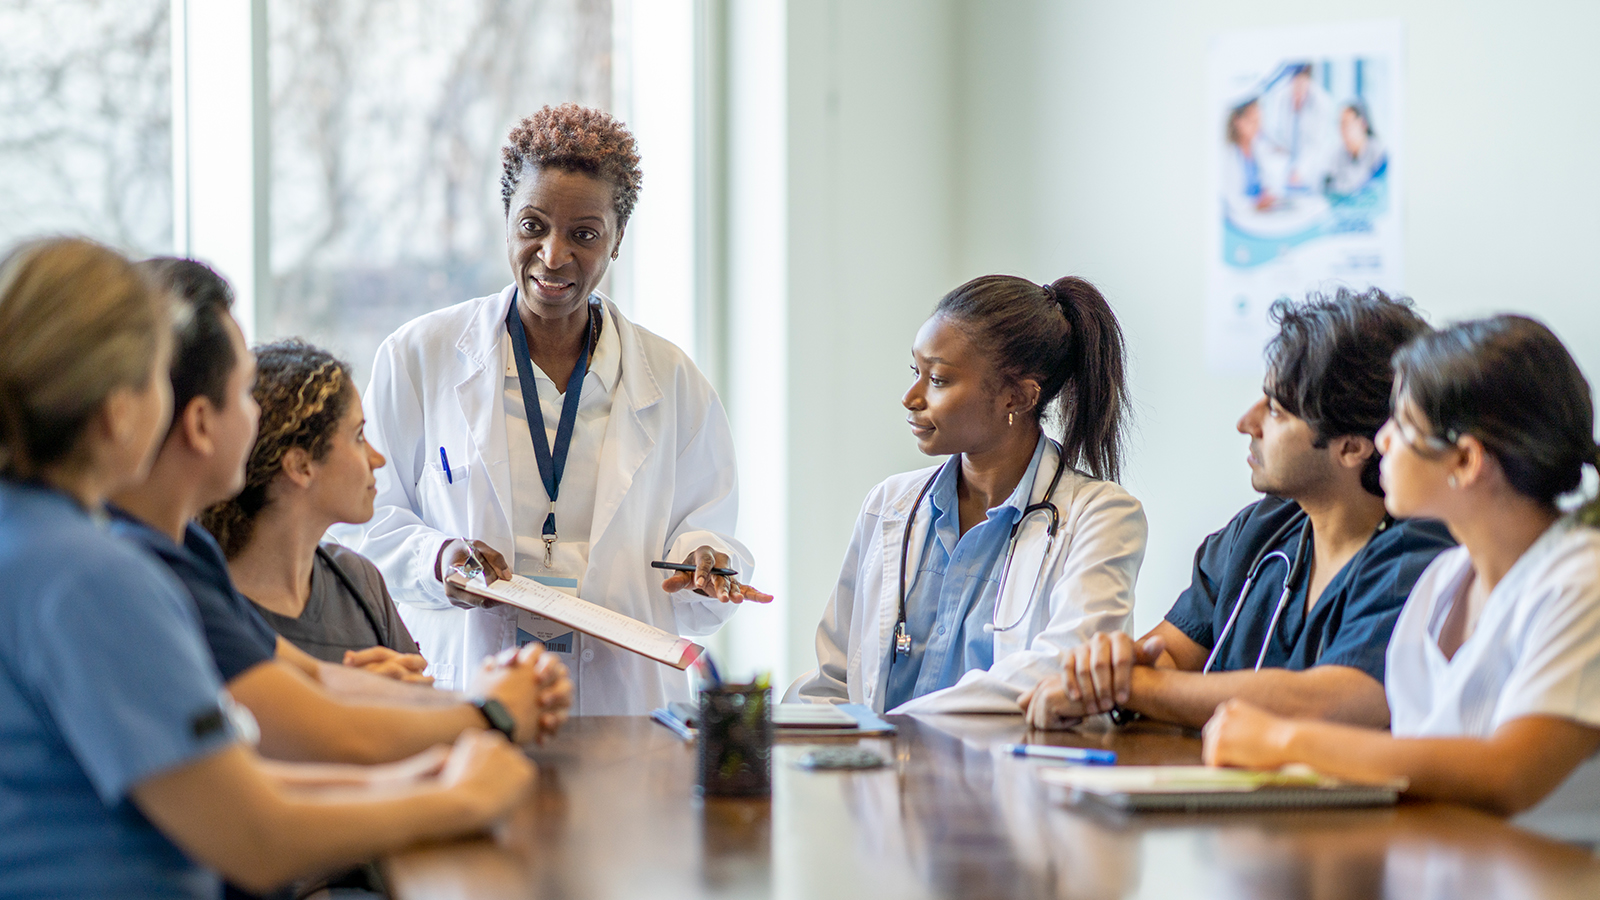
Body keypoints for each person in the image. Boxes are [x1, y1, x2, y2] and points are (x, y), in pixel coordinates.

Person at [0, 237, 533, 898]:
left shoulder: (32, 538)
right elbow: (253, 834)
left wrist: (418, 780)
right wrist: (461, 794)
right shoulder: (91, 575)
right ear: (117, 413)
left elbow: (228, 778)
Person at [346, 103, 770, 712]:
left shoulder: (673, 381)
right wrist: (439, 559)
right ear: (508, 224)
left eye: (585, 234)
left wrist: (705, 561)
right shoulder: (419, 357)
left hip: (623, 703)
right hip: (471, 688)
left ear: (617, 240)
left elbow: (705, 529)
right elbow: (361, 523)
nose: (552, 255)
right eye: (533, 225)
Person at [111, 257, 570, 767]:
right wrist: (492, 713)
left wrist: (401, 695)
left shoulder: (190, 558)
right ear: (199, 422)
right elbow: (281, 778)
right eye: (243, 393)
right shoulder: (131, 577)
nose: (257, 415)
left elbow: (313, 682)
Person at [1204, 315, 1600, 820]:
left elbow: (1506, 775)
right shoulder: (1441, 583)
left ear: (1465, 462)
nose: (1382, 440)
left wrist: (1285, 738)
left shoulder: (1581, 580)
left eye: (1403, 425)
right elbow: (1412, 767)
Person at [1023, 289, 1454, 730]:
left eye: (1276, 410)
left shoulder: (1421, 554)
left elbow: (1341, 699)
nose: (1247, 423)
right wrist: (1112, 669)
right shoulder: (1263, 528)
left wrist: (1132, 688)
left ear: (1351, 447)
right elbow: (1170, 654)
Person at [791, 275, 1147, 714]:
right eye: (915, 372)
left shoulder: (1102, 518)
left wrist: (890, 728)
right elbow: (837, 680)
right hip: (880, 777)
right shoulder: (888, 505)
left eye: (938, 379)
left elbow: (1063, 673)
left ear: (1017, 396)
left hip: (1009, 778)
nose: (911, 397)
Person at [202, 338, 425, 677]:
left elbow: (425, 713)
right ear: (301, 466)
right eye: (359, 436)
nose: (377, 459)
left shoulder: (358, 581)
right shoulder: (206, 606)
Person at [1325, 100, 1388, 197]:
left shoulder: (1378, 154)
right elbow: (1330, 187)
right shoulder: (1337, 155)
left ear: (1362, 124)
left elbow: (1378, 191)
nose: (1342, 129)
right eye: (1340, 124)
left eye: (1346, 124)